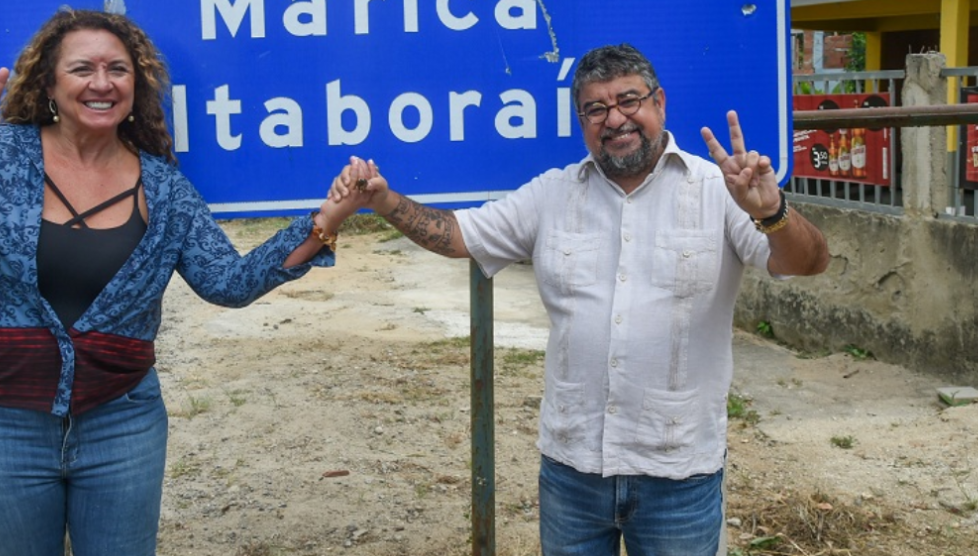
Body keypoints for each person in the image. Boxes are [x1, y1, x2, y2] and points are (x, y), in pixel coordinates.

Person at [0, 9, 363, 556]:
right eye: (82, 69)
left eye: (117, 69)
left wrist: (326, 219)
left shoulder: (165, 187)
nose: (101, 82)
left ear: (134, 86)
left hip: (121, 424)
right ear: (49, 83)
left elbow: (228, 283)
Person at [330, 43, 829, 556]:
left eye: (628, 100)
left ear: (659, 103)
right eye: (596, 108)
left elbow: (807, 262)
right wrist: (383, 201)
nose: (615, 119)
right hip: (573, 472)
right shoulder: (553, 194)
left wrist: (773, 212)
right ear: (582, 121)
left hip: (679, 472)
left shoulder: (719, 191)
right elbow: (458, 236)